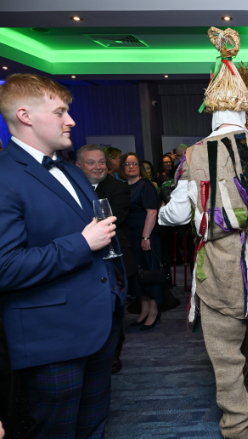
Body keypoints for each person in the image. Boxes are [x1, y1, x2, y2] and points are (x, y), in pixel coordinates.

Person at [158, 27, 248, 439]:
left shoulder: (193, 155)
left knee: (225, 356)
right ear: (245, 109)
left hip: (218, 269)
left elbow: (175, 215)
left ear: (211, 110)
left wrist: (177, 213)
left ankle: (237, 423)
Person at [0, 73, 123, 437]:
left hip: (100, 326)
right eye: (59, 112)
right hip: (51, 337)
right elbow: (5, 267)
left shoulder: (72, 170)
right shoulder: (5, 176)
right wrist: (82, 244)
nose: (71, 121)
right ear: (25, 116)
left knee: (93, 426)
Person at [76, 144, 136, 373]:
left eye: (101, 162)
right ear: (79, 166)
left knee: (114, 307)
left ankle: (113, 354)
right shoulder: (73, 187)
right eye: (91, 163)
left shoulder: (118, 187)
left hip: (113, 256)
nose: (98, 167)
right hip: (83, 256)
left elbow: (114, 218)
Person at [120, 152, 165, 330]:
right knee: (139, 274)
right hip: (131, 236)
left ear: (140, 167)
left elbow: (152, 212)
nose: (131, 167)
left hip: (146, 234)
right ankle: (144, 310)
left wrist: (145, 237)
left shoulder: (145, 185)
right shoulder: (124, 187)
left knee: (149, 272)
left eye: (134, 164)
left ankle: (153, 311)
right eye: (127, 164)